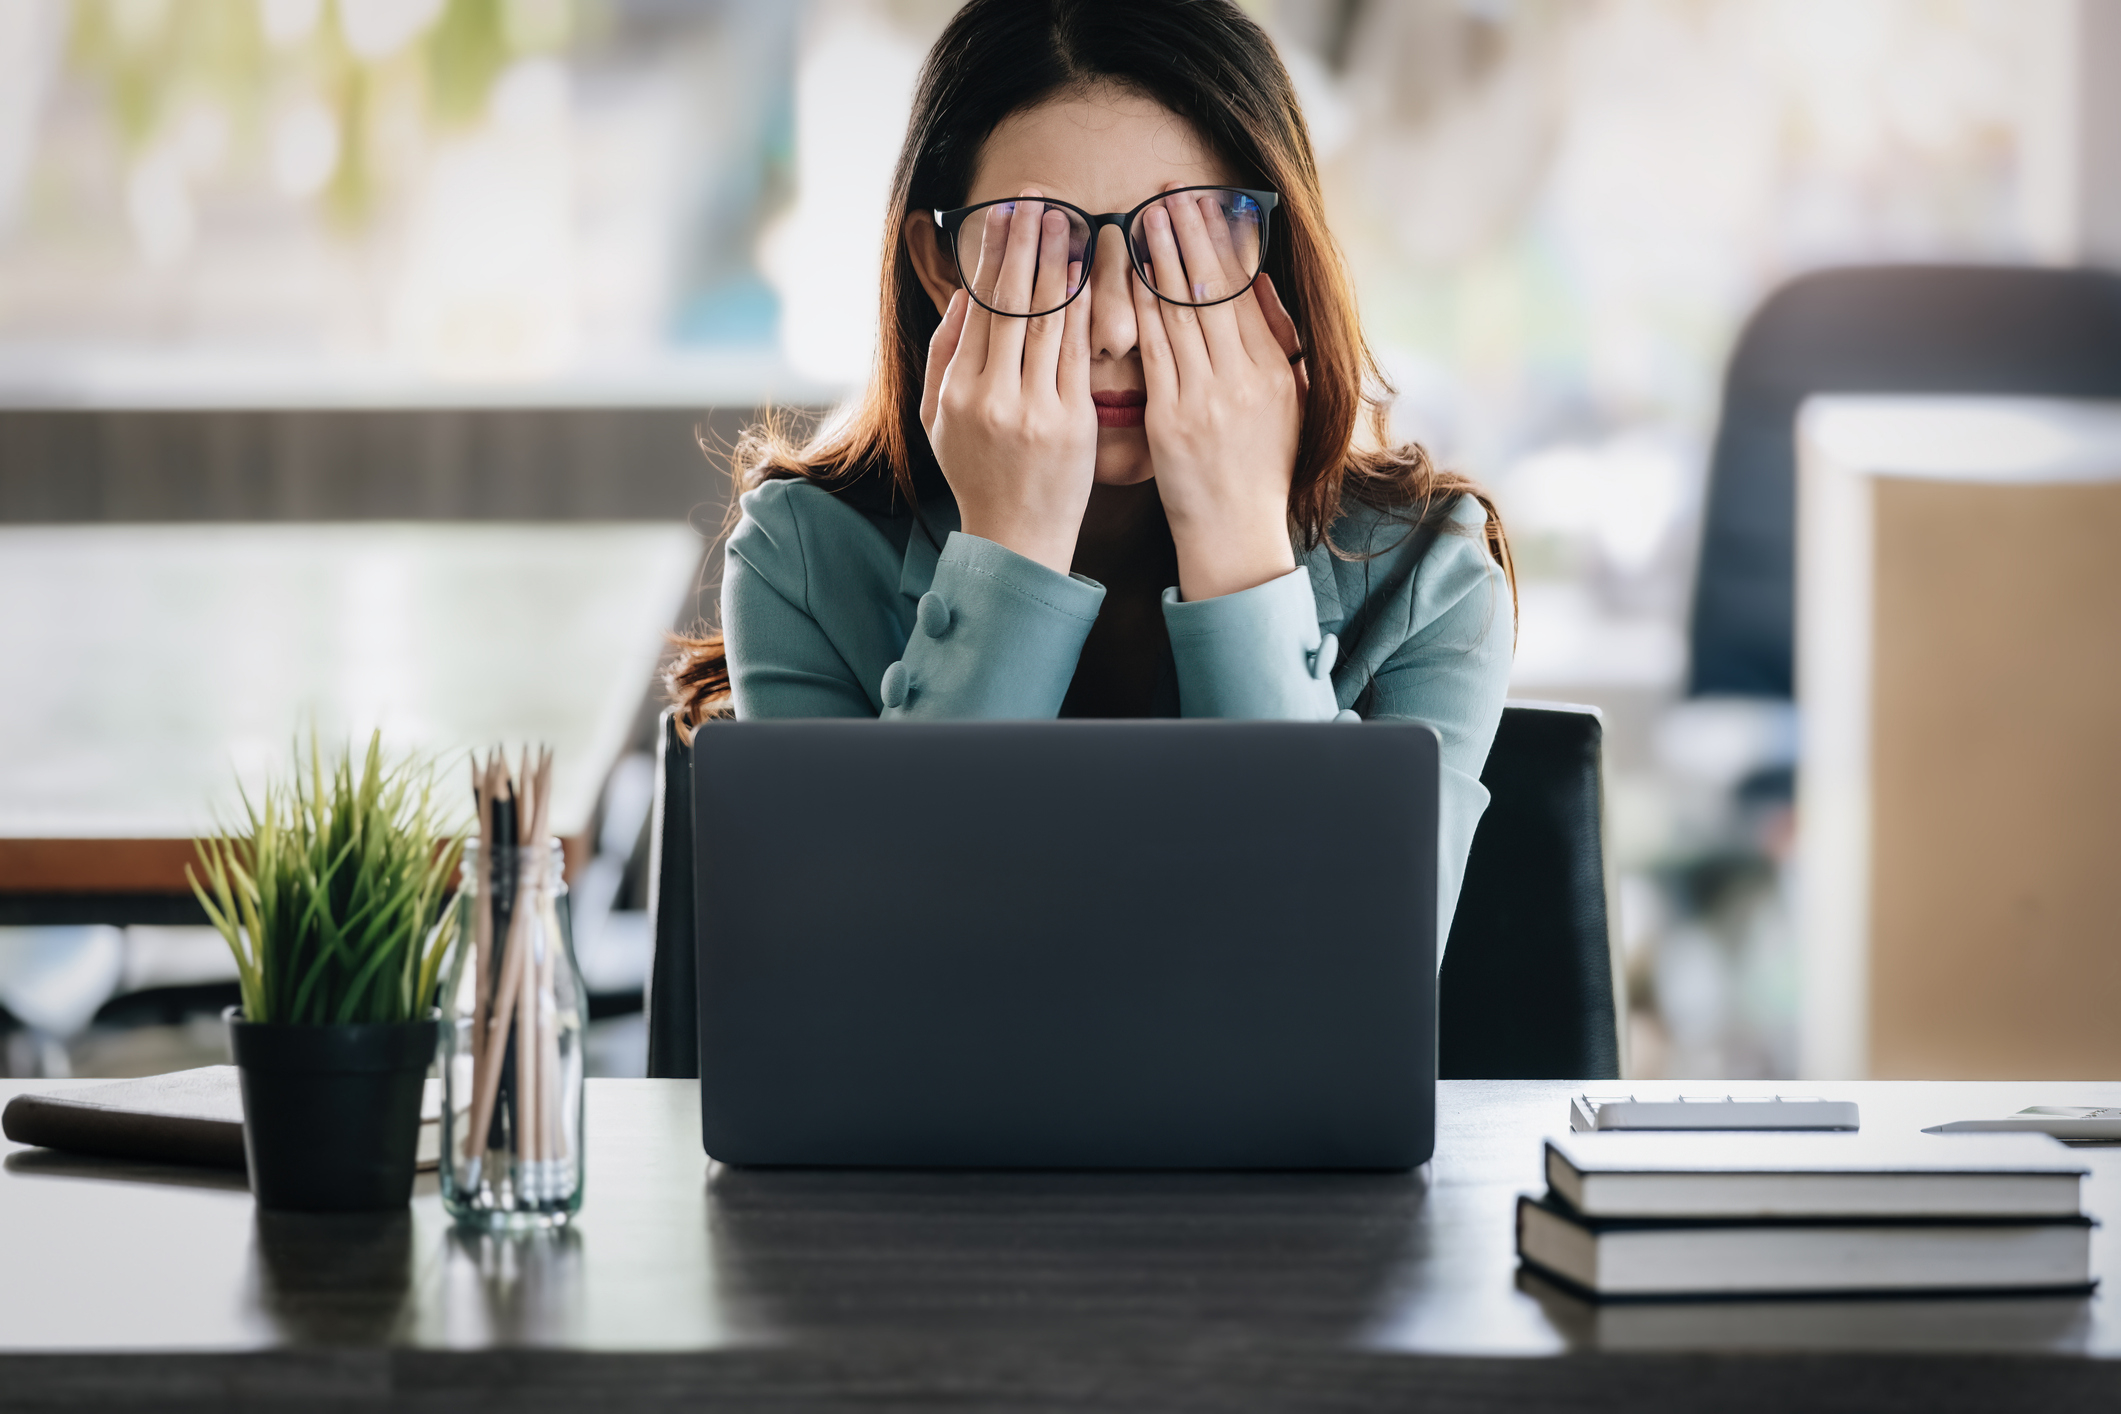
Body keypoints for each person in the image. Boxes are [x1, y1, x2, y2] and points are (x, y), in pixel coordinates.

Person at [668, 0, 1515, 940]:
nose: (1114, 327)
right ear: (941, 267)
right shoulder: (803, 560)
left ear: (1268, 256)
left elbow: (1347, 967)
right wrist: (1009, 553)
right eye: (1045, 248)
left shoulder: (1429, 578)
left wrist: (1237, 539)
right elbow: (866, 962)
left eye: (1178, 244)